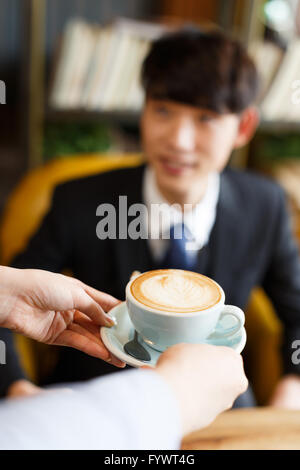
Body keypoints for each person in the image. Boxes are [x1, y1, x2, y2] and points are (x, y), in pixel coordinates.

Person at [1, 29, 300, 408]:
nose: (179, 140)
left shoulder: (267, 205)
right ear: (141, 109)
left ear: (243, 127)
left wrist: (293, 382)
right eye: (162, 110)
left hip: (218, 407)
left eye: (206, 118)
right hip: (97, 402)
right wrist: (16, 388)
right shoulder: (78, 200)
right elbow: (10, 305)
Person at [0, 265, 248, 449]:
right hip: (86, 394)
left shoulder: (266, 204)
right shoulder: (78, 201)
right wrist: (175, 395)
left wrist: (11, 296)